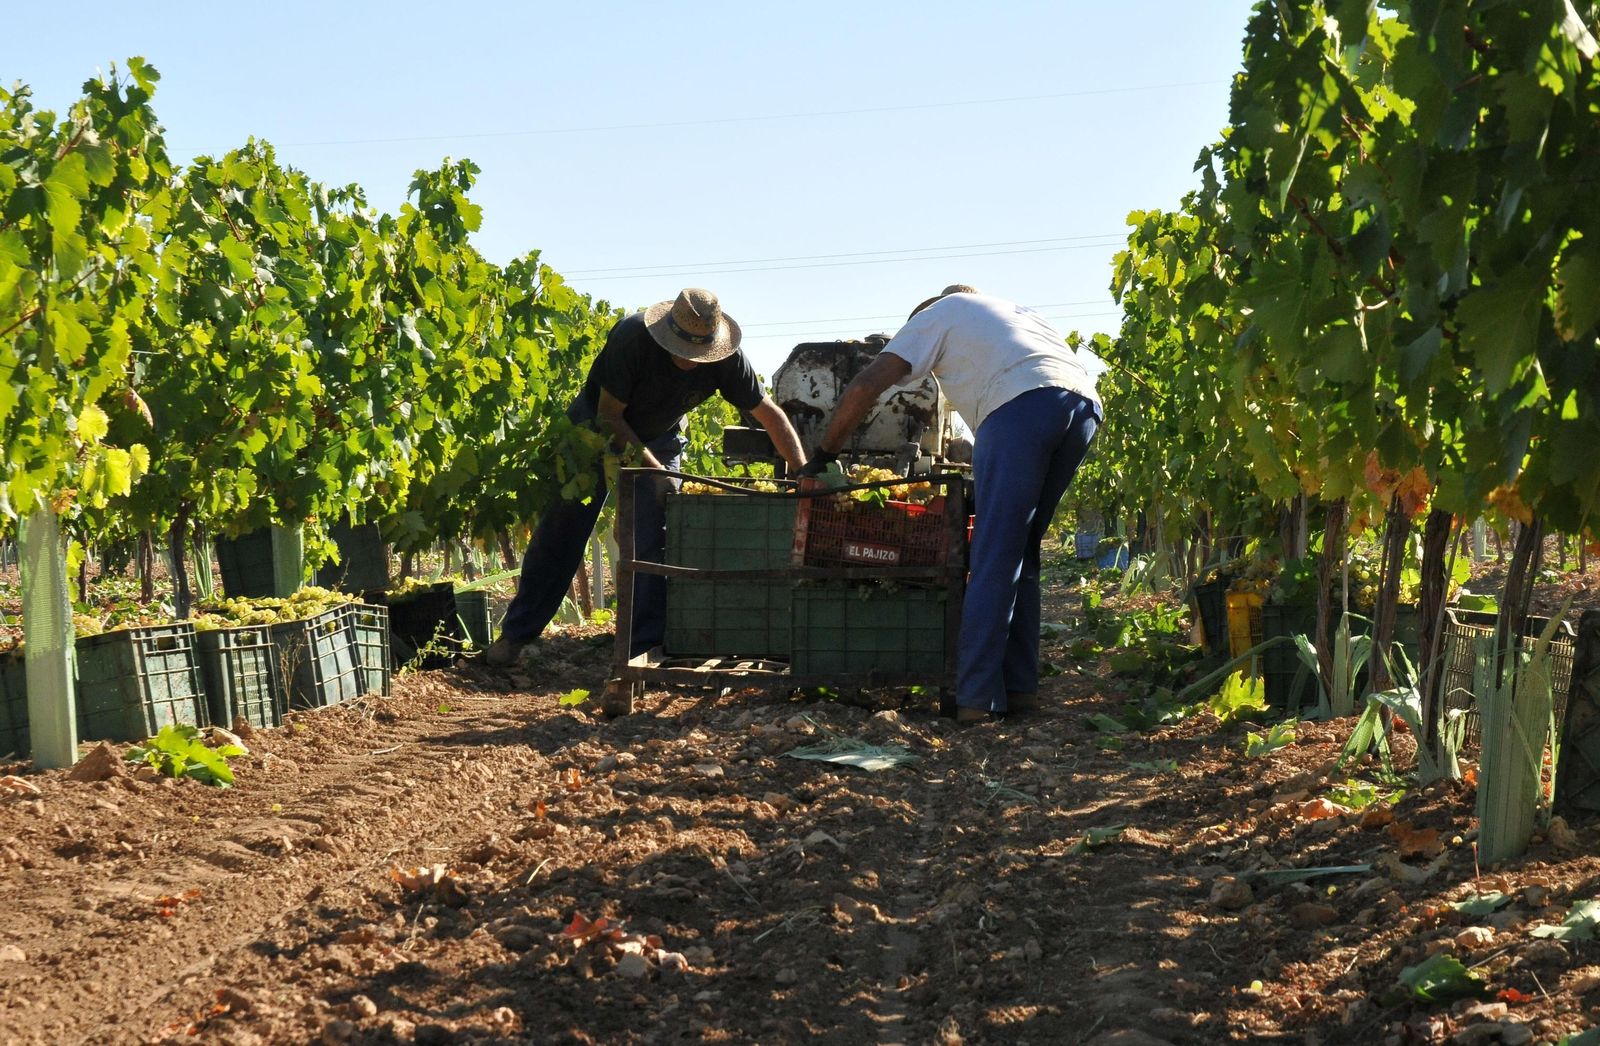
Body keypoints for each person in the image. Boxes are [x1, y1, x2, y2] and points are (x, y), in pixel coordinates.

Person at [800, 286, 1103, 722]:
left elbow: (867, 384)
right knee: (1022, 553)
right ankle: (1020, 691)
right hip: (1081, 407)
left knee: (992, 554)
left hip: (1021, 405)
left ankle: (976, 700)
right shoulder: (1008, 313)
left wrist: (823, 456)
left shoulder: (937, 313)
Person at [486, 288, 807, 666]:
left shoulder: (726, 358)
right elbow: (609, 418)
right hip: (594, 431)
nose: (692, 362)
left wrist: (805, 473)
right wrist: (654, 472)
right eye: (685, 352)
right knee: (563, 530)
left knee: (651, 538)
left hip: (662, 435)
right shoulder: (632, 338)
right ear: (666, 335)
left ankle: (642, 646)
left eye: (700, 354)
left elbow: (768, 414)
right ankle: (516, 636)